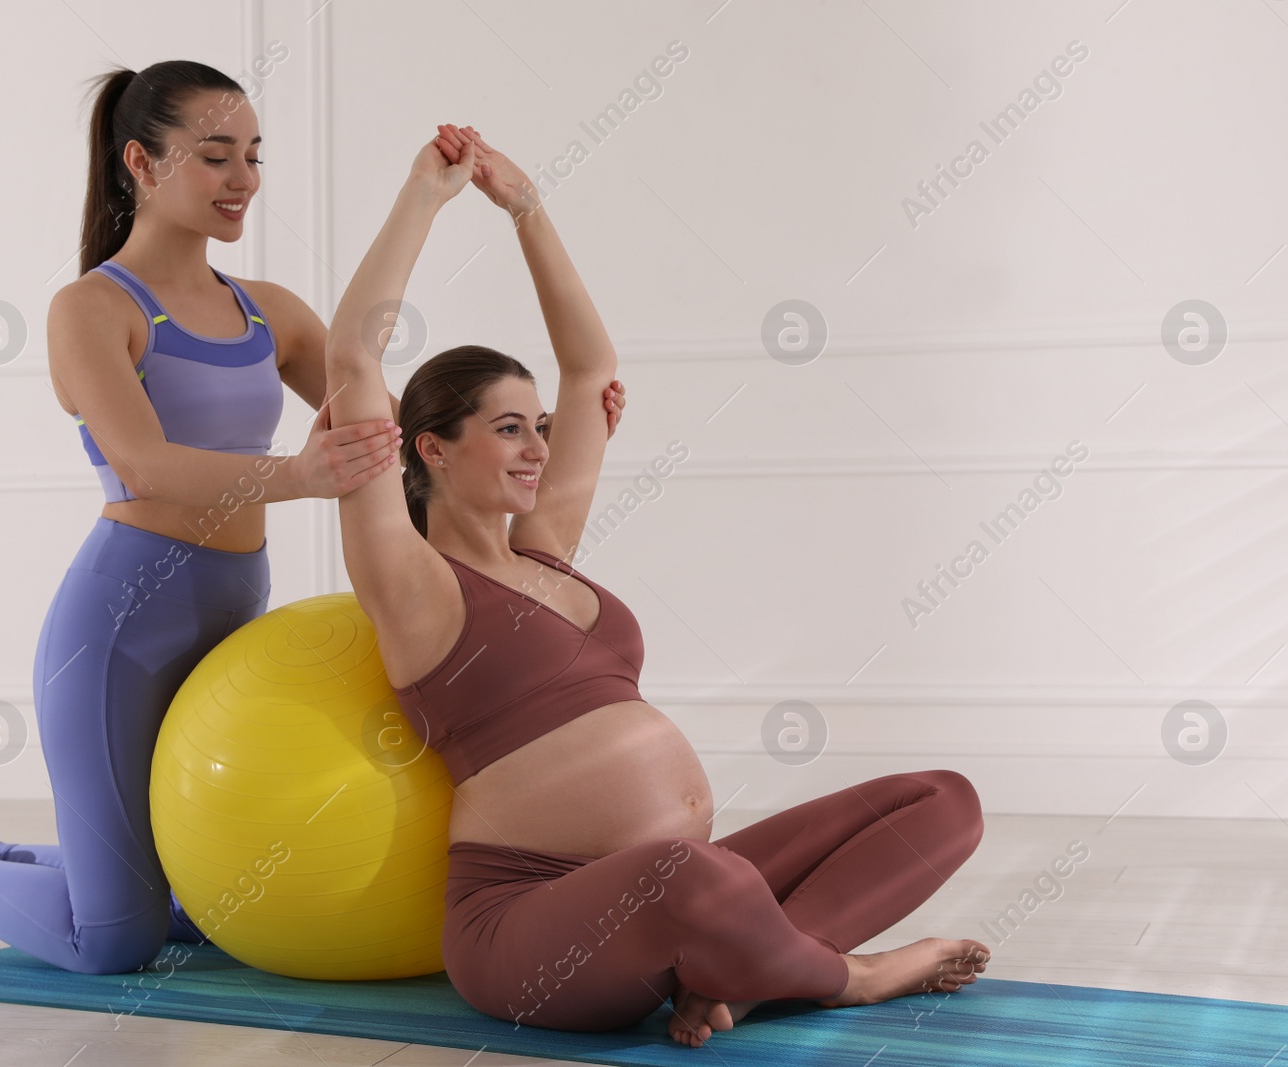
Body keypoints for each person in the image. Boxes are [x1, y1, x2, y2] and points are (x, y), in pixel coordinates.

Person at [0, 62, 628, 974]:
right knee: (114, 938)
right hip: (121, 626)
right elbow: (144, 466)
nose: (244, 178)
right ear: (142, 162)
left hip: (231, 620)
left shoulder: (267, 313)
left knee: (215, 897)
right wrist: (297, 472)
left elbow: (392, 429)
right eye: (215, 157)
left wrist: (533, 444)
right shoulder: (91, 309)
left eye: (253, 155)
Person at [325, 123, 990, 1045]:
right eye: (510, 429)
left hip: (668, 884)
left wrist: (527, 209)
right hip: (528, 924)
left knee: (941, 799)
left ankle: (743, 978)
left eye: (540, 427)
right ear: (431, 446)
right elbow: (353, 361)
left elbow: (591, 366)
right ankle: (850, 975)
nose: (537, 449)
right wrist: (423, 197)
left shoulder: (545, 547)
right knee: (691, 874)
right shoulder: (412, 580)